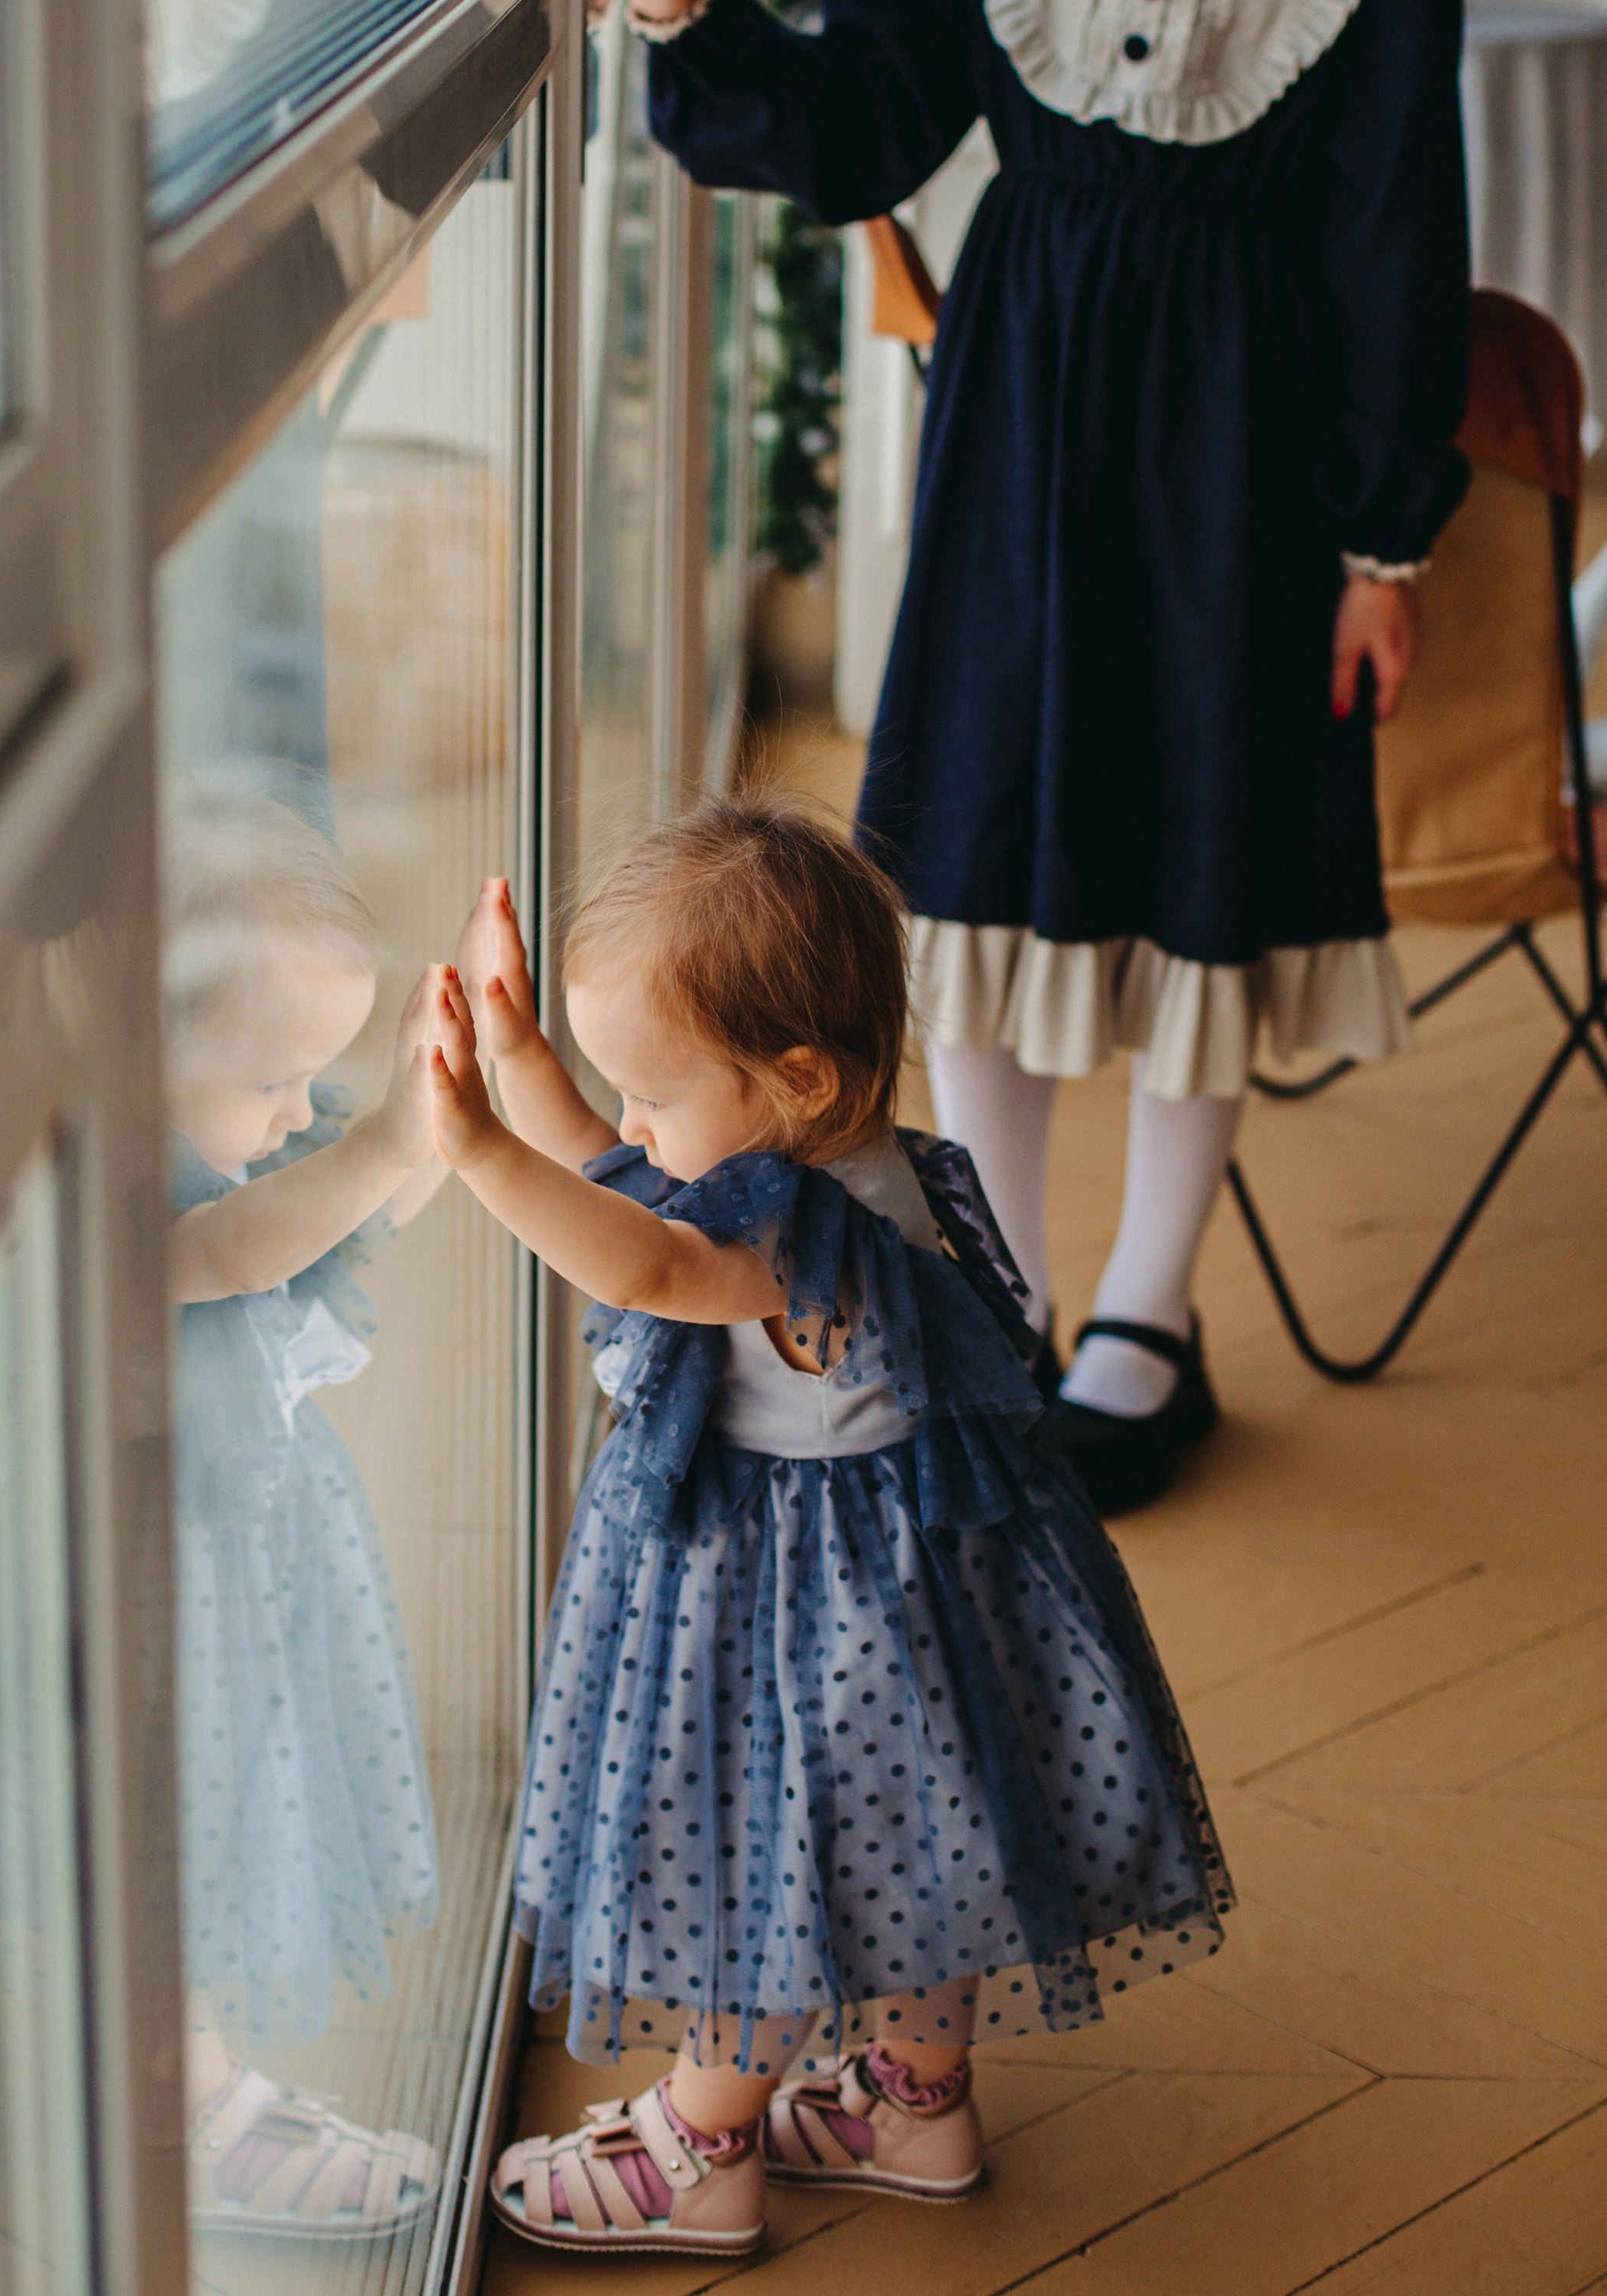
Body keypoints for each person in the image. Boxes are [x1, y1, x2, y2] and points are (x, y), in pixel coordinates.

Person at [614, 0, 1471, 1514]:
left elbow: (1394, 247)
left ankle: (1145, 1321)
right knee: (989, 853)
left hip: (1253, 466)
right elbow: (853, 123)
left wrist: (1381, 541)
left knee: (1200, 869)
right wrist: (680, 2)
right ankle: (994, 1299)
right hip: (1027, 424)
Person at [433, 802, 1230, 2257]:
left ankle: (700, 2146)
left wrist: (486, 1156)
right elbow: (635, 1175)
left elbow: (655, 1256)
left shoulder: (801, 1242)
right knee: (906, 1866)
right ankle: (915, 2103)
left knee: (767, 1870)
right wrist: (518, 1053)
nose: (633, 1127)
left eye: (653, 1093)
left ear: (794, 1079)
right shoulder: (855, 1162)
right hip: (921, 1591)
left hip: (805, 1612)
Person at [163, 785, 445, 2243]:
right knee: (179, 1858)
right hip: (167, 1596)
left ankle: (198, 2084)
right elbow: (221, 1255)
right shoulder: (123, 1195)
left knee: (220, 1836)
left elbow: (345, 1216)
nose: (294, 1114)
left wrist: (430, 1132)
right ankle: (192, 2105)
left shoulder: (236, 1142)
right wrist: (388, 1140)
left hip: (249, 1563)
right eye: (275, 1076)